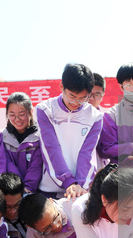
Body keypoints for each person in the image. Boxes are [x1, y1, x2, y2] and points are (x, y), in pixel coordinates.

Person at [36, 63, 103, 199]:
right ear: (62, 87)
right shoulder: (45, 110)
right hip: (50, 188)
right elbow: (51, 148)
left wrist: (80, 185)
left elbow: (87, 153)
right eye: (72, 96)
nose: (76, 102)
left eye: (82, 98)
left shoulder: (95, 117)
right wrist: (68, 181)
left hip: (80, 188)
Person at [3, 92, 42, 193]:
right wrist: (17, 190)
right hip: (12, 192)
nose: (17, 119)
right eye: (12, 115)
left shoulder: (40, 137)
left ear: (31, 112)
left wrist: (28, 189)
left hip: (35, 192)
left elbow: (36, 167)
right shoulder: (2, 138)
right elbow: (7, 164)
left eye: (22, 114)